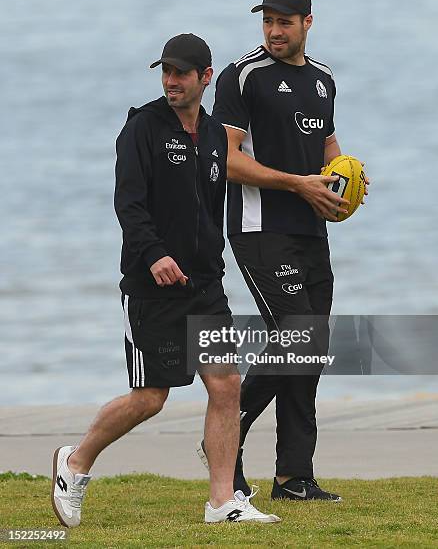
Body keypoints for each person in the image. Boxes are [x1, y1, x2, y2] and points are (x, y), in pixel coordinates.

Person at [51, 33, 280, 526]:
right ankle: (75, 463)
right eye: (166, 72)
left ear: (205, 78)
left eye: (181, 73)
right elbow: (128, 205)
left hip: (205, 286)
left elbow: (211, 208)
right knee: (150, 398)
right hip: (150, 287)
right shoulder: (142, 128)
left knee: (226, 386)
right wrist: (154, 255)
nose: (171, 81)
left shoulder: (218, 135)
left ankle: (222, 501)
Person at [209, 0, 367, 501]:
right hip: (259, 228)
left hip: (310, 229)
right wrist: (297, 184)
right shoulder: (242, 75)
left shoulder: (323, 80)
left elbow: (327, 146)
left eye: (284, 22)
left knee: (310, 347)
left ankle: (293, 476)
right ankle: (223, 447)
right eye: (267, 22)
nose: (274, 32)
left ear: (307, 23)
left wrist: (343, 183)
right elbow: (226, 160)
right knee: (297, 336)